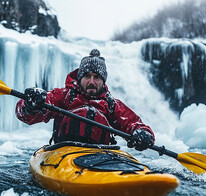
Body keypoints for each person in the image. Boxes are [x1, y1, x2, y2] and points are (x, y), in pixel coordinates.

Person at [15, 49, 155, 151]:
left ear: (103, 81)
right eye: (87, 76)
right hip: (64, 152)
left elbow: (133, 123)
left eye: (97, 77)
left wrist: (143, 134)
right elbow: (26, 116)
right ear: (80, 77)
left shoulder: (111, 104)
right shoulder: (63, 96)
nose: (92, 81)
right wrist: (29, 105)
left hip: (100, 154)